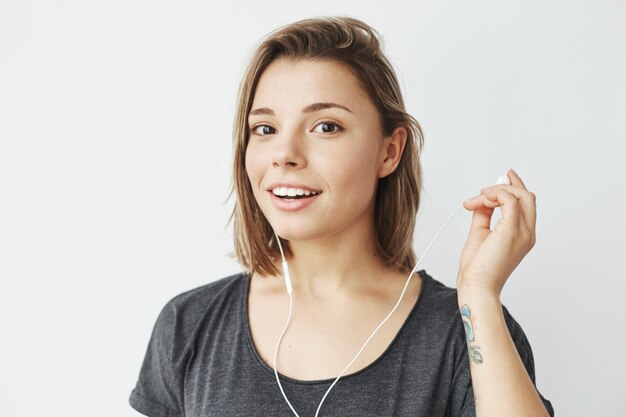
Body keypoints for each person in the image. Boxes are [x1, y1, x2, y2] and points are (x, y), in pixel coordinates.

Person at [129, 16, 555, 417]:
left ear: (389, 151)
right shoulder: (188, 325)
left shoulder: (463, 331)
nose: (285, 155)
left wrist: (479, 293)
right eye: (265, 128)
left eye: (325, 126)